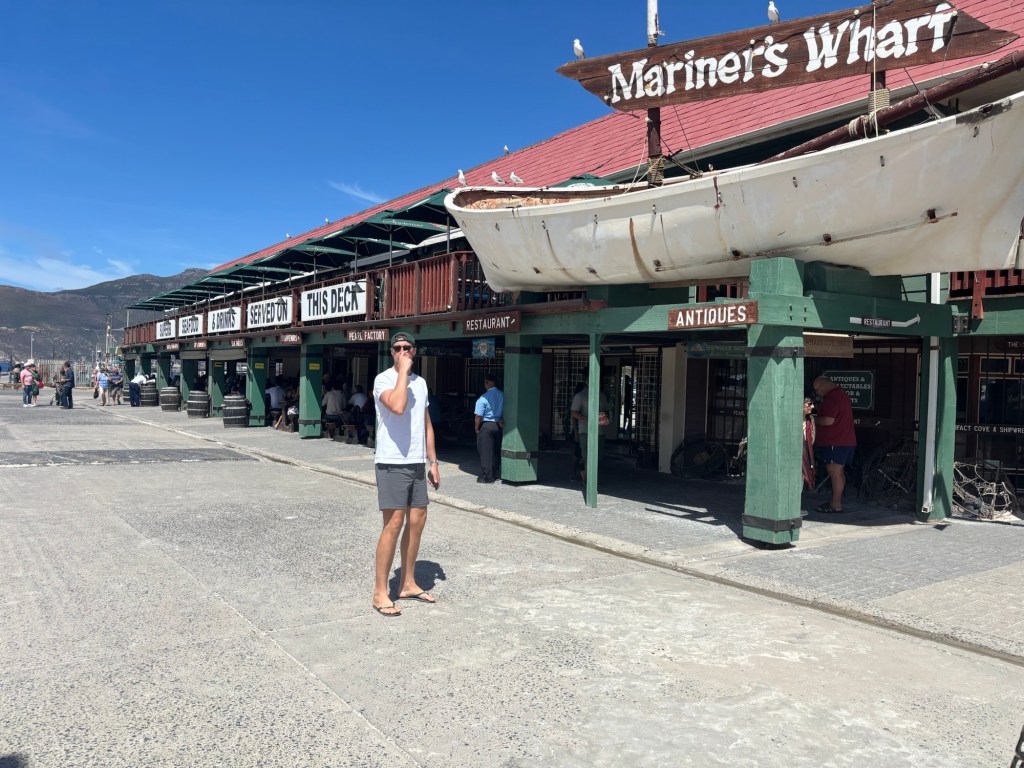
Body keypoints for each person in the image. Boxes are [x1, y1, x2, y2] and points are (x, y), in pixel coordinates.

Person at [371, 331, 440, 618]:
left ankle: (408, 583)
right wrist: (402, 373)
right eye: (397, 348)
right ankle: (380, 591)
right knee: (394, 522)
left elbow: (426, 423)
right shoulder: (383, 380)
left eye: (407, 348)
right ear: (392, 352)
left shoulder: (421, 383)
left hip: (416, 461)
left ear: (414, 351)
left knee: (417, 520)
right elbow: (398, 407)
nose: (402, 352)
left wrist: (433, 461)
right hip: (391, 461)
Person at [812, 376, 856, 513]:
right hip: (844, 440)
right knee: (839, 472)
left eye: (817, 389)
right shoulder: (841, 394)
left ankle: (836, 504)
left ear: (825, 385)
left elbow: (828, 420)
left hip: (835, 441)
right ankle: (836, 502)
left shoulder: (832, 397)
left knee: (835, 472)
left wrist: (811, 419)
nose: (817, 393)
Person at [570, 382, 610, 485]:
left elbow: (607, 412)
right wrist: (577, 430)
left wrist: (601, 419)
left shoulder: (602, 395)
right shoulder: (580, 396)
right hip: (584, 430)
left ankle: (586, 475)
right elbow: (573, 414)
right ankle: (588, 479)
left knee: (597, 457)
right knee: (586, 456)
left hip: (600, 431)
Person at [473, 373, 504, 483]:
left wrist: (477, 429)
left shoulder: (483, 398)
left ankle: (487, 477)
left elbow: (478, 416)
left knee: (486, 452)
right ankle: (495, 474)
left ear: (487, 383)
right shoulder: (502, 395)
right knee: (496, 451)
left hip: (486, 426)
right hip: (498, 425)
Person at [801, 396, 816, 492]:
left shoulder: (810, 419)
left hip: (805, 454)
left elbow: (812, 439)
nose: (813, 406)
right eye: (809, 404)